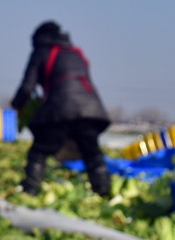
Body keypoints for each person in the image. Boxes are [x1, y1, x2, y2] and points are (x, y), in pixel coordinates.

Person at [10, 21, 111, 197]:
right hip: (90, 111)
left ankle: (29, 192)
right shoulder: (75, 52)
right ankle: (104, 193)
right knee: (92, 153)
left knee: (39, 151)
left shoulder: (41, 52)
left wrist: (17, 105)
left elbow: (27, 87)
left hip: (60, 109)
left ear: (38, 39)